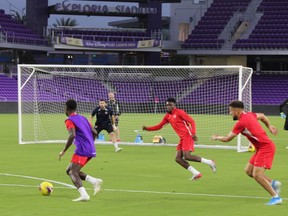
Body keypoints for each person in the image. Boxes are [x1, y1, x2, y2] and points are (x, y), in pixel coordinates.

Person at [212, 100, 282, 206]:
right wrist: (269, 126)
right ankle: (273, 183)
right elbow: (262, 116)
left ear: (236, 110)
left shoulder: (240, 123)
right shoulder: (250, 115)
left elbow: (227, 139)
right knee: (249, 171)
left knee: (257, 175)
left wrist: (217, 137)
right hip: (260, 148)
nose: (230, 113)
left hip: (266, 148)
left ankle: (276, 197)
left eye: (230, 110)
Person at [142, 98, 216, 180]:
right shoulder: (167, 116)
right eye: (167, 105)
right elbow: (159, 126)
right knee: (178, 159)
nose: (168, 107)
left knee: (187, 156)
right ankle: (196, 173)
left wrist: (193, 133)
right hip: (182, 138)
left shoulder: (179, 112)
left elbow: (192, 121)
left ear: (174, 105)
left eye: (170, 105)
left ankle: (210, 162)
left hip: (188, 136)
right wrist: (147, 128)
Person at [59, 99, 103, 202]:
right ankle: (94, 181)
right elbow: (95, 132)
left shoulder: (69, 120)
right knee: (69, 170)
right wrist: (90, 143)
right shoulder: (83, 118)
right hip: (90, 148)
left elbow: (72, 135)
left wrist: (64, 150)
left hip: (82, 149)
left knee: (72, 172)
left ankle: (84, 195)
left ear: (67, 108)